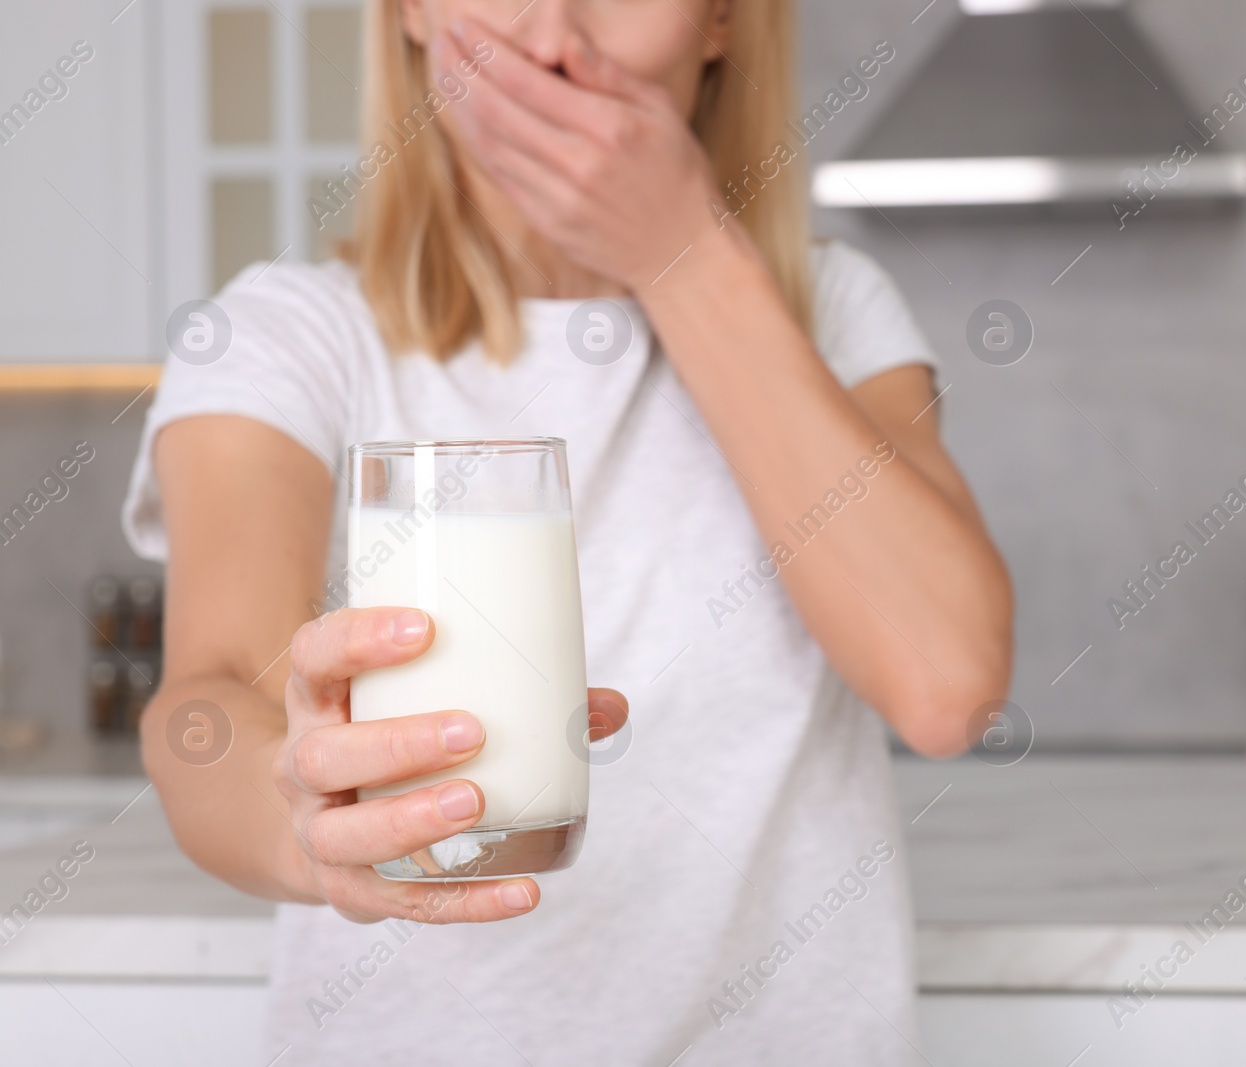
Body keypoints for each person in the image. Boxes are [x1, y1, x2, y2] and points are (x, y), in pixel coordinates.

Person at [122, 0, 1013, 1062]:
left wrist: (683, 251)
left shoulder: (835, 317)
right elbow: (213, 695)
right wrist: (301, 827)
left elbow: (945, 682)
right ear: (411, 12)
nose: (551, 41)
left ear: (720, 18)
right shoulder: (288, 339)